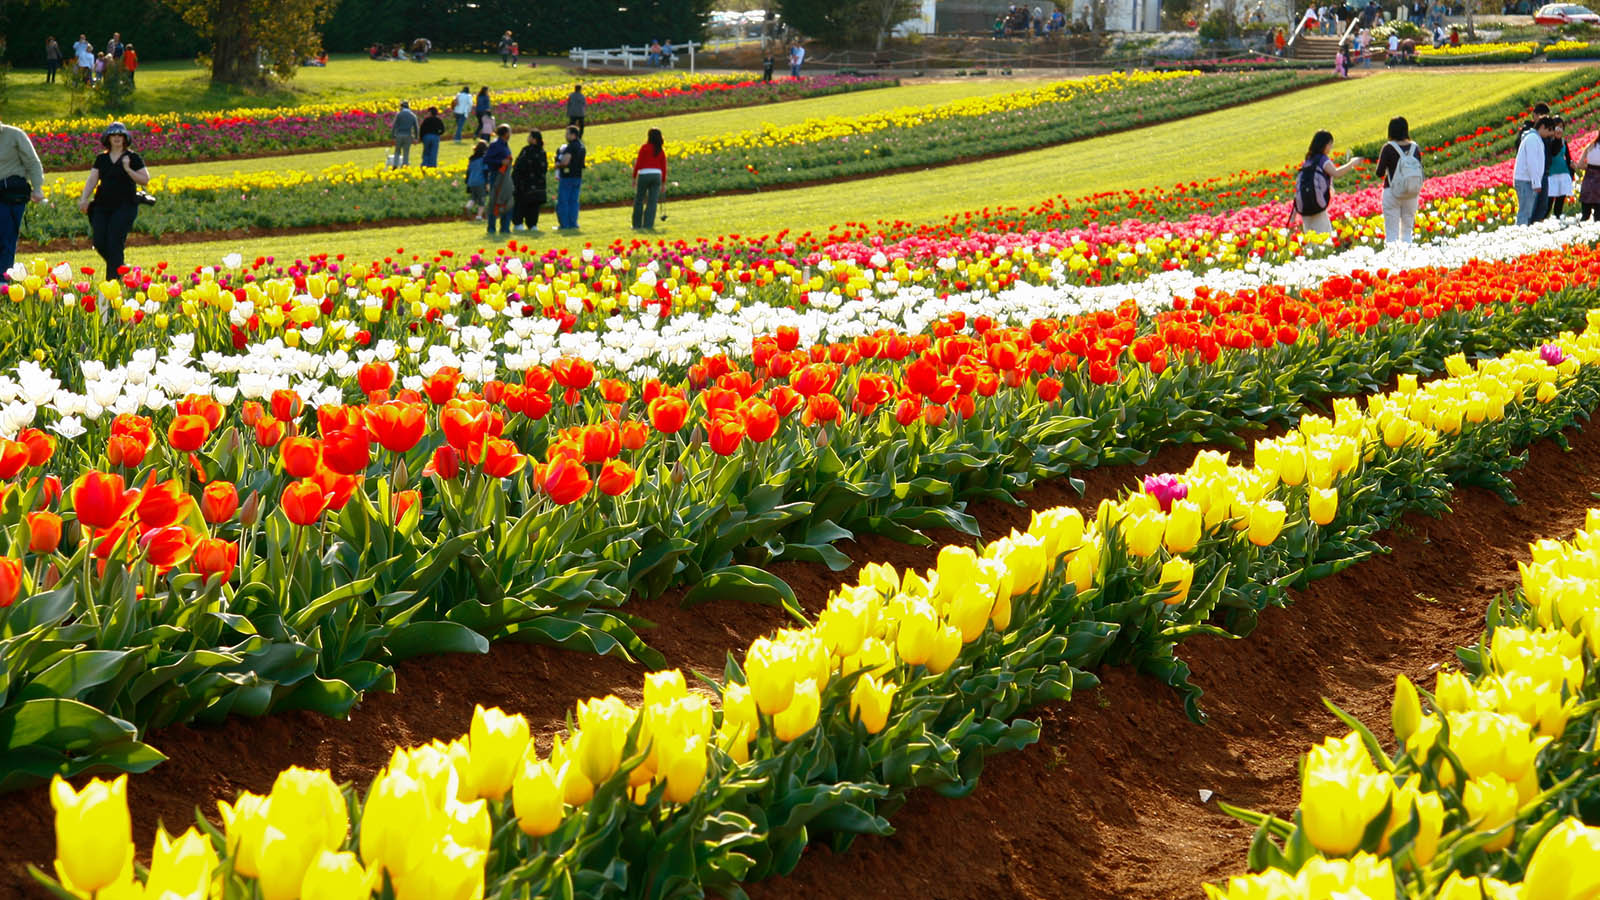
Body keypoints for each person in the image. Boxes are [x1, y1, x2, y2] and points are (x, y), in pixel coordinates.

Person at [76, 122, 148, 280]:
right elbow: (92, 180)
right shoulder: (101, 158)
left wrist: (128, 169)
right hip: (102, 205)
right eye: (113, 135)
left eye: (120, 135)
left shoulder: (133, 157)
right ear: (108, 138)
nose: (117, 138)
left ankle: (113, 281)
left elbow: (145, 180)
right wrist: (84, 199)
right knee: (99, 241)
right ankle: (120, 268)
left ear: (125, 138)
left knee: (115, 240)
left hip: (125, 206)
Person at [0, 116, 46, 280]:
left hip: (10, 194)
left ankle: (3, 281)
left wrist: (37, 188)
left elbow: (32, 162)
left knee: (6, 238)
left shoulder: (14, 135)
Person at [1294, 131, 1361, 234]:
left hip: (1305, 208)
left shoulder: (1308, 160)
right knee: (1324, 236)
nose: (1331, 148)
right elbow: (1336, 173)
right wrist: (1352, 163)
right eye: (1330, 144)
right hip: (1317, 205)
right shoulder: (1322, 160)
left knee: (1311, 239)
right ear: (1325, 145)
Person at [1375, 116, 1422, 244]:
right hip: (1411, 192)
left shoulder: (1388, 148)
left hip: (1392, 191)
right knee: (1407, 231)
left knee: (1392, 233)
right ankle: (1408, 259)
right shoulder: (1415, 148)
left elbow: (1379, 172)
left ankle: (1393, 260)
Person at [1515, 117, 1553, 225]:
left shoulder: (1535, 138)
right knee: (1525, 212)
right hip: (1525, 180)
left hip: (1527, 179)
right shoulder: (1532, 139)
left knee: (1527, 212)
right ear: (1542, 127)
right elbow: (1532, 162)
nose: (1550, 134)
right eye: (1549, 130)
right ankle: (1520, 233)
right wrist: (1536, 182)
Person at [512, 130, 548, 232]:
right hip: (538, 184)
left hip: (524, 183)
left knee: (521, 203)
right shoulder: (542, 152)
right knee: (534, 205)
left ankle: (518, 224)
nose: (528, 138)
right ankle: (532, 225)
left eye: (529, 136)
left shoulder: (527, 150)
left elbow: (519, 165)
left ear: (534, 139)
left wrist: (515, 179)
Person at [632, 128, 666, 230]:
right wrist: (663, 183)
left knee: (639, 200)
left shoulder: (644, 148)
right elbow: (664, 167)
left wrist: (634, 177)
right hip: (657, 175)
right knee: (652, 202)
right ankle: (648, 225)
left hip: (644, 174)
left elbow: (638, 163)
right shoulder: (660, 150)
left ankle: (637, 225)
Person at [484, 124, 514, 235]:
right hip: (497, 176)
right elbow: (487, 159)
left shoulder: (506, 145)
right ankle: (491, 228)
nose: (511, 134)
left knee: (507, 202)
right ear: (505, 133)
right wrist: (500, 162)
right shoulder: (495, 145)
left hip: (506, 177)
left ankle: (505, 228)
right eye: (510, 131)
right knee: (494, 202)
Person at [554, 125, 585, 230]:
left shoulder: (571, 147)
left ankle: (564, 224)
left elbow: (566, 161)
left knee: (563, 201)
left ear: (573, 135)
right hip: (578, 176)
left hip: (567, 177)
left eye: (567, 134)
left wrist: (557, 165)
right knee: (574, 201)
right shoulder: (581, 146)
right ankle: (573, 223)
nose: (566, 136)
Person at [1545, 116, 1574, 220]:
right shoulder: (1548, 141)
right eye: (1557, 126)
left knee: (1560, 203)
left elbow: (1568, 158)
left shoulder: (1563, 142)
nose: (1559, 129)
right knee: (1548, 203)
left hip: (1563, 173)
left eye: (1561, 127)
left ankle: (1558, 220)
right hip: (1552, 175)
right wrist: (1556, 138)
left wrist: (1571, 170)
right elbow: (1553, 152)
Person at [1578, 131, 1600, 221]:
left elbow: (1579, 165)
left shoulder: (1590, 146)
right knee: (1598, 217)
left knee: (1585, 215)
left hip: (1588, 181)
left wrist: (1589, 167)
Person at [390, 101, 418, 168]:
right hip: (408, 135)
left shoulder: (399, 114)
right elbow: (416, 127)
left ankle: (395, 165)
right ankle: (405, 166)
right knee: (406, 152)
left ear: (402, 107)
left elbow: (394, 126)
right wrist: (416, 138)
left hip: (399, 135)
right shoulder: (413, 115)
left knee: (397, 151)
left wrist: (393, 136)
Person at [465, 140, 489, 219]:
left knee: (473, 198)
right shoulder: (484, 159)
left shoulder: (472, 159)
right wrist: (487, 183)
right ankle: (479, 216)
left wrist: (467, 182)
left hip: (471, 181)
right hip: (480, 181)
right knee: (482, 200)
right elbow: (485, 171)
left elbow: (468, 171)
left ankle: (468, 206)